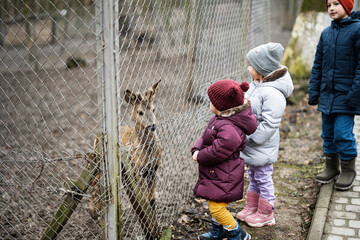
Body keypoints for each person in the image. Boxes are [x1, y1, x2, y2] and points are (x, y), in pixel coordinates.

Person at [236, 42, 294, 228]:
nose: (248, 68)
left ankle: (266, 213)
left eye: (251, 65)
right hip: (252, 144)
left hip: (260, 144)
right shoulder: (256, 86)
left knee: (263, 177)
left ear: (261, 69)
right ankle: (252, 207)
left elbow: (270, 124)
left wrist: (252, 138)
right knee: (254, 176)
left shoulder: (273, 93)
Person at [192, 79, 257, 240]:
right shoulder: (218, 119)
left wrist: (200, 156)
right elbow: (205, 136)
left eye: (211, 101)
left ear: (221, 105)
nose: (209, 103)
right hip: (217, 172)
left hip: (224, 173)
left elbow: (217, 151)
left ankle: (237, 234)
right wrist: (197, 148)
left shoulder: (228, 128)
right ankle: (218, 231)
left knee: (217, 209)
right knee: (214, 201)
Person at [308, 0, 359, 190]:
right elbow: (318, 65)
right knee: (328, 134)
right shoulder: (326, 34)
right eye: (328, 4)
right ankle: (331, 167)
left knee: (342, 134)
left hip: (347, 97)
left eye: (336, 3)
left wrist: (355, 94)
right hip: (327, 96)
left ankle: (348, 170)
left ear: (347, 6)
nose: (331, 8)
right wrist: (313, 91)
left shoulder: (357, 30)